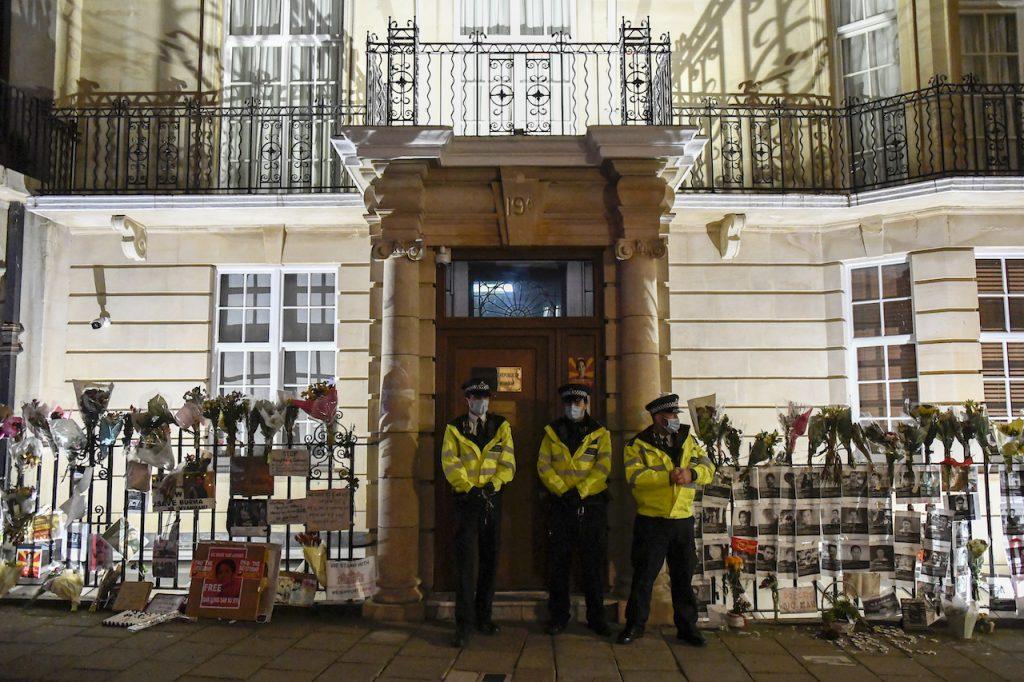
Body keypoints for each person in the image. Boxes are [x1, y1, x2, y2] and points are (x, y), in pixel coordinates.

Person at [617, 394, 715, 647]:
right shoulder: (637, 445)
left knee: (683, 576)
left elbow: (707, 466)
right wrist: (668, 477)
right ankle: (635, 625)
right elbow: (635, 476)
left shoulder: (688, 440)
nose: (675, 419)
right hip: (652, 519)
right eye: (671, 416)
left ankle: (687, 627)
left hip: (682, 518)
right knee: (644, 576)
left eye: (675, 415)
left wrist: (691, 473)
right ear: (658, 418)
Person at [440, 377, 516, 647]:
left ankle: (484, 617)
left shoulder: (500, 426)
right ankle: (464, 624)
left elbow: (507, 461)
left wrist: (493, 486)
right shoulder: (454, 428)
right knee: (465, 565)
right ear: (467, 400)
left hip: (492, 501)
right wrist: (470, 489)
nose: (481, 402)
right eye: (476, 397)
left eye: (485, 397)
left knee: (490, 560)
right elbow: (451, 462)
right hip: (465, 503)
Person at [537, 383, 612, 637]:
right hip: (560, 506)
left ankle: (596, 617)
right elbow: (544, 466)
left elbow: (602, 469)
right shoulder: (552, 432)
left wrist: (580, 492)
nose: (573, 407)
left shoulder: (600, 433)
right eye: (569, 403)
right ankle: (559, 617)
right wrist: (562, 491)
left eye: (578, 403)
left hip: (591, 506)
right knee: (559, 565)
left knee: (593, 565)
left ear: (586, 404)